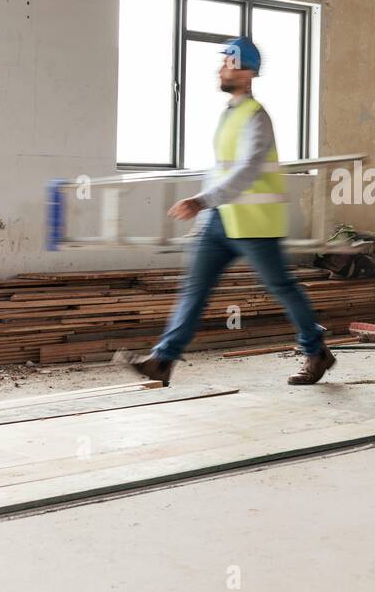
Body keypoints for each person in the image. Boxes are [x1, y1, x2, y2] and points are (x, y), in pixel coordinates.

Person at [131, 36, 336, 387]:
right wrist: (207, 209)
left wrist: (200, 201)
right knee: (194, 289)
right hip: (219, 221)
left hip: (255, 224)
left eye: (228, 63)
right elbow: (222, 169)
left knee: (282, 288)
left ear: (247, 72)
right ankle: (163, 360)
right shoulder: (229, 115)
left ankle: (316, 351)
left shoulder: (257, 117)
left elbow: (247, 170)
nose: (221, 69)